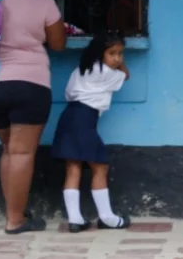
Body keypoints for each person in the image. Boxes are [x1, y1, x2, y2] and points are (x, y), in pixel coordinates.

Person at [0, 0, 67, 235]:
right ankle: (15, 220)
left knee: (8, 150)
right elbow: (57, 44)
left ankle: (13, 212)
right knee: (21, 153)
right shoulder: (45, 3)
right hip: (30, 84)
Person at [51, 32, 132, 232]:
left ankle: (75, 219)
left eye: (121, 54)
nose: (117, 59)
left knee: (73, 167)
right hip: (85, 119)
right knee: (100, 166)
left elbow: (69, 93)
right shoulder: (107, 73)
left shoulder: (79, 70)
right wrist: (120, 64)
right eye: (112, 53)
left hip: (69, 116)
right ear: (99, 53)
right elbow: (127, 75)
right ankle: (107, 217)